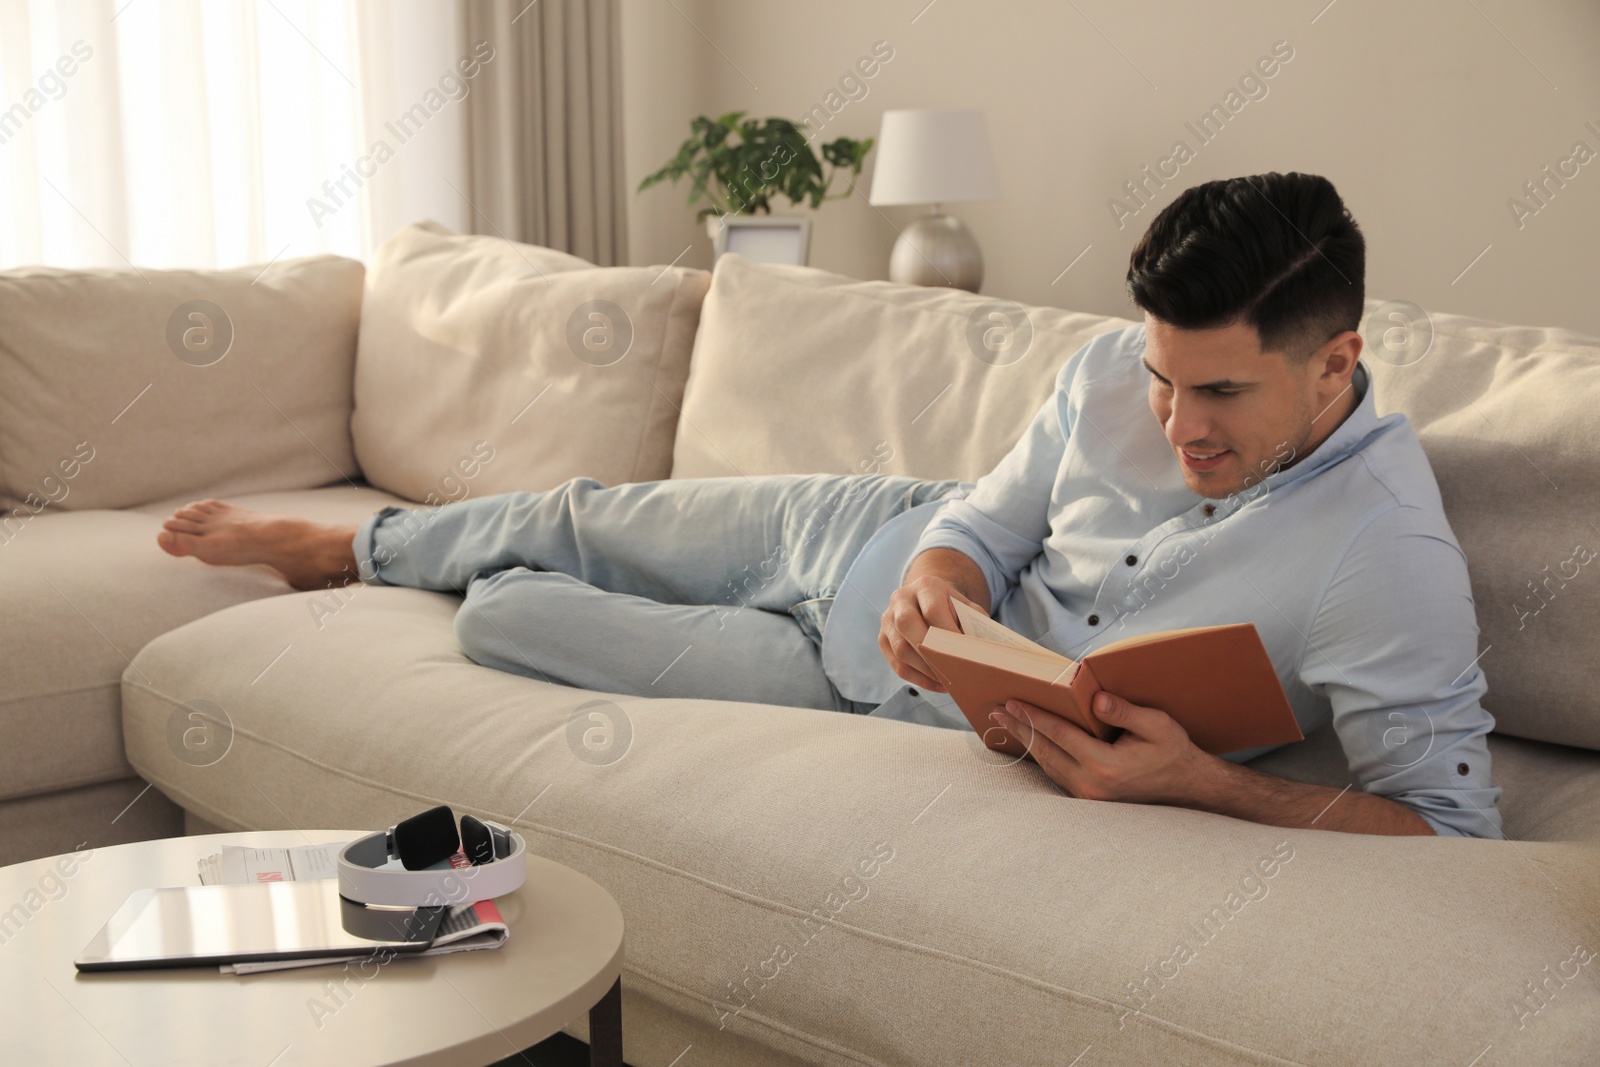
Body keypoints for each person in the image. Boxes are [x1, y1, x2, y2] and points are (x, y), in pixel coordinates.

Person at [157, 171, 1502, 839]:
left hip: (851, 690)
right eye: (1161, 380)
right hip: (856, 534)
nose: (1175, 424)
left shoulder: (1385, 556)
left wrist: (1201, 786)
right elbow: (986, 517)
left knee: (501, 626)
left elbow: (1446, 826)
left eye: (1218, 395)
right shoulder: (1112, 372)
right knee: (578, 512)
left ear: (1336, 363)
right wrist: (945, 576)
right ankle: (349, 544)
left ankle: (431, 579)